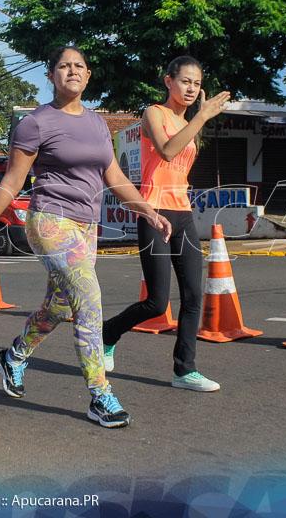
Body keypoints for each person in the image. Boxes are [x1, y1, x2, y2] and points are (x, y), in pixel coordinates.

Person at [0, 46, 170, 428]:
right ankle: (100, 396)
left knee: (60, 307)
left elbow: (116, 179)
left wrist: (149, 210)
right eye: (63, 66)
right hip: (50, 222)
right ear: (52, 76)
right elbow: (12, 181)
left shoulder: (95, 124)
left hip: (85, 226)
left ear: (88, 76)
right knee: (89, 300)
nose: (72, 71)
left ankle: (13, 356)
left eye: (79, 66)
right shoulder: (35, 123)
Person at [101, 55, 230, 392]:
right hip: (153, 212)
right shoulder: (153, 113)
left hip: (182, 213)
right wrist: (202, 116)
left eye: (197, 83)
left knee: (192, 297)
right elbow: (168, 150)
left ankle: (184, 370)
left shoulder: (193, 124)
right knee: (157, 302)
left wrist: (198, 120)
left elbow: (182, 167)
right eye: (185, 80)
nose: (191, 88)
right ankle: (108, 333)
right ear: (168, 81)